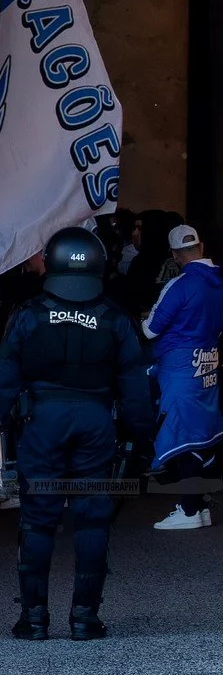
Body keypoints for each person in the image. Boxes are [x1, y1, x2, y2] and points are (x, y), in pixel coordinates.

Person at [0, 227, 153, 640]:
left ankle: (34, 619)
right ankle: (84, 618)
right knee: (92, 521)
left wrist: (5, 431)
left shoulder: (27, 313)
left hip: (42, 421)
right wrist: (140, 435)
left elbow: (5, 381)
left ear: (52, 262)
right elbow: (135, 383)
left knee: (38, 520)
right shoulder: (115, 317)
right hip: (96, 421)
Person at [144, 224, 223, 529]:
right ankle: (201, 507)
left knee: (181, 433)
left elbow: (150, 328)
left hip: (179, 367)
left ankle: (189, 511)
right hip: (209, 362)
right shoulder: (219, 281)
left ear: (176, 255)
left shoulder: (180, 284)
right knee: (202, 432)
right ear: (201, 246)